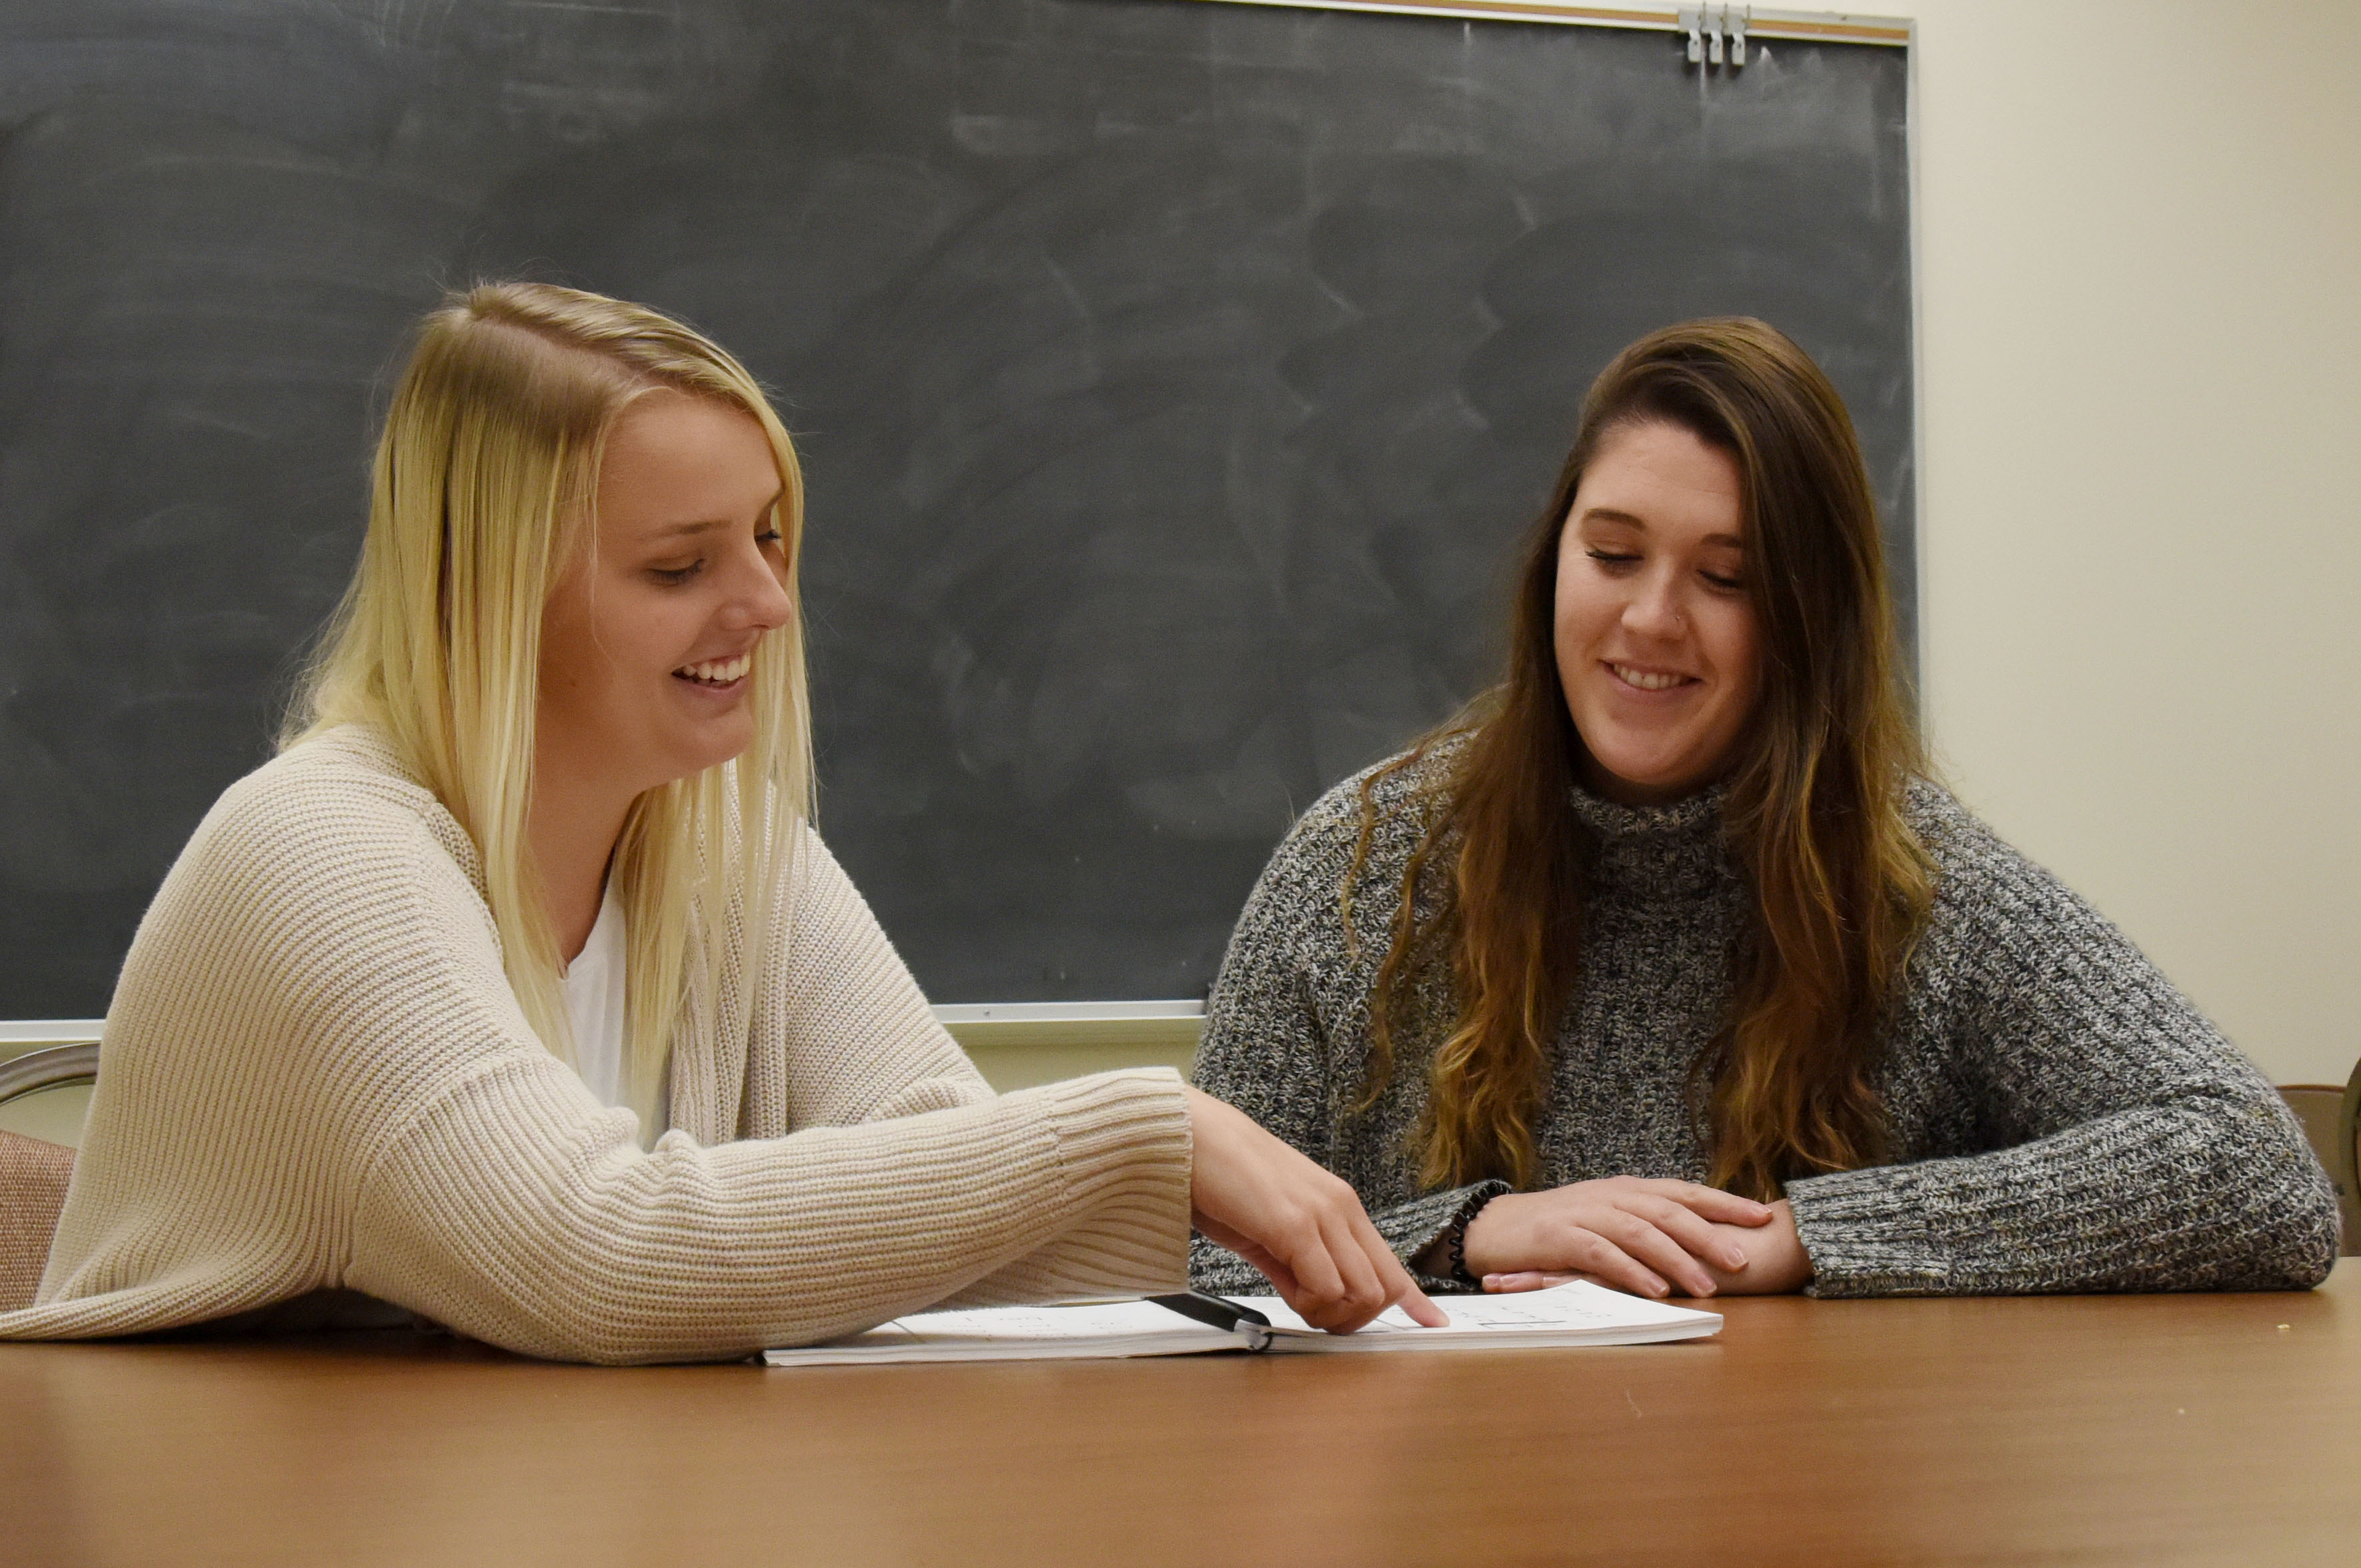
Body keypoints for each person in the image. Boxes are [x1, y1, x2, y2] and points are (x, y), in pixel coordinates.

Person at [0, 282, 1439, 1363]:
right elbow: (591, 1251)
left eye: (768, 536)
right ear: (485, 596)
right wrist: (1144, 1127)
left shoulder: (717, 839)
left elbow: (933, 1159)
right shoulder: (315, 857)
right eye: (680, 564)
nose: (764, 604)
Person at [1190, 317, 2338, 1302]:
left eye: (1725, 577)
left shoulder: (1914, 882)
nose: (1649, 618)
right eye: (1611, 552)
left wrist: (1809, 1238)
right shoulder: (1362, 867)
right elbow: (1180, 1257)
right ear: (1554, 564)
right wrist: (1463, 1234)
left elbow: (2256, 1170)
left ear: (1806, 618)